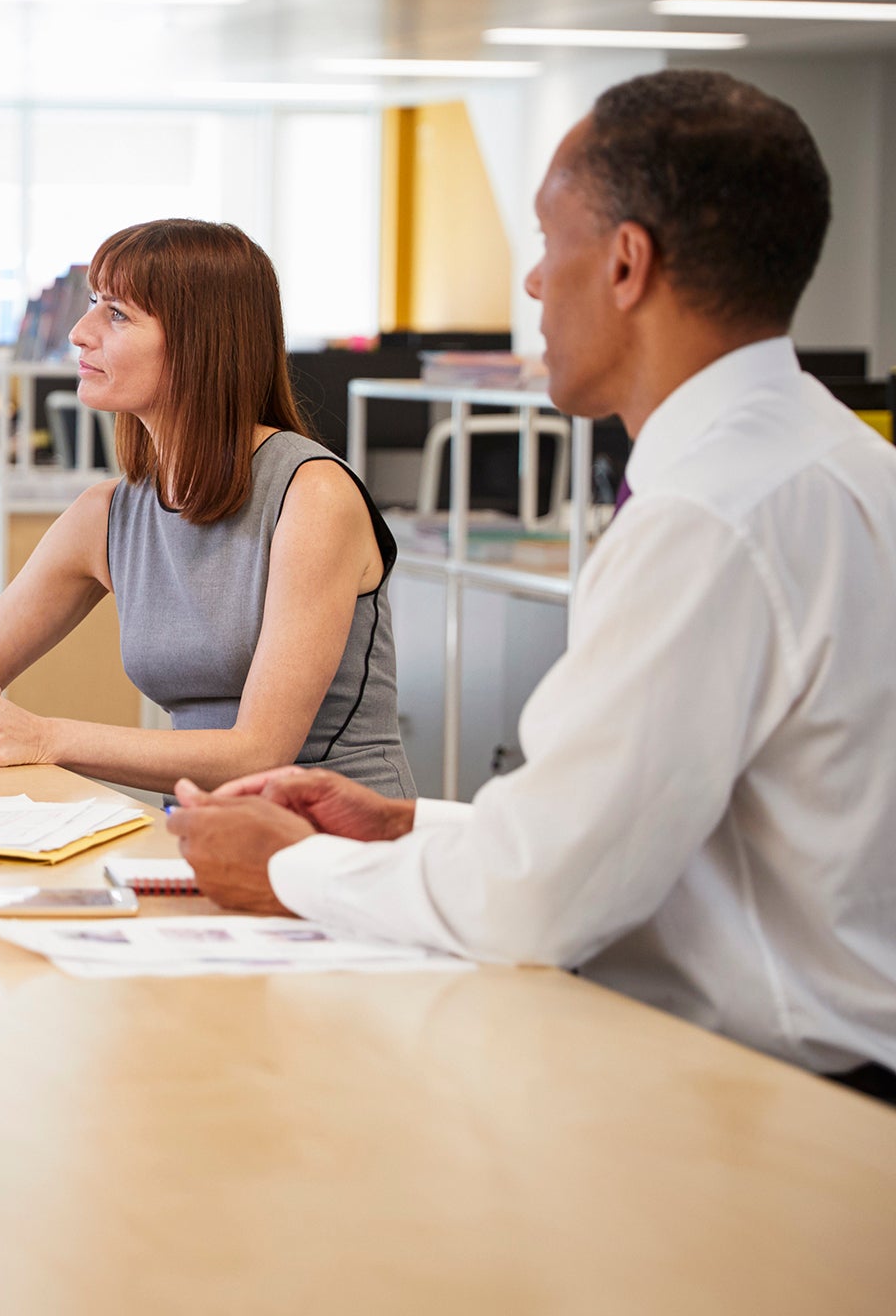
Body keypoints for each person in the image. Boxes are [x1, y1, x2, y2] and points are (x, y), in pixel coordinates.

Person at [168, 70, 896, 1101]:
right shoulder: (831, 457)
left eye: (548, 245)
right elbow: (680, 819)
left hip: (776, 1097)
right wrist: (413, 824)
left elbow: (538, 897)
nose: (532, 287)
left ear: (625, 262)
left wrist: (284, 870)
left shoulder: (707, 517)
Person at [0, 220, 413, 797]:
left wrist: (46, 736)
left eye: (117, 314)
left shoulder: (313, 495)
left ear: (203, 341)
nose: (79, 332)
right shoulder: (105, 514)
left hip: (339, 838)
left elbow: (258, 754)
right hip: (209, 827)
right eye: (93, 304)